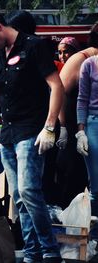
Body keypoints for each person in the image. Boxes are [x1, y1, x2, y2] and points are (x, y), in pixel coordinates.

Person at [0, 9, 64, 263]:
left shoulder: (34, 46)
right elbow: (1, 99)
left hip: (31, 129)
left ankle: (50, 251)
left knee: (29, 192)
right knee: (19, 198)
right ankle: (33, 254)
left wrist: (50, 126)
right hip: (8, 133)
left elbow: (56, 86)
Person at [57, 25, 98, 208]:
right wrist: (64, 128)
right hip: (76, 126)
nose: (62, 55)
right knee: (75, 179)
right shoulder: (84, 61)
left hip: (81, 125)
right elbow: (61, 93)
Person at [76, 53, 98, 240]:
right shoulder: (89, 65)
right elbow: (82, 99)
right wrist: (80, 132)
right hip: (93, 123)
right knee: (96, 185)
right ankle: (94, 237)